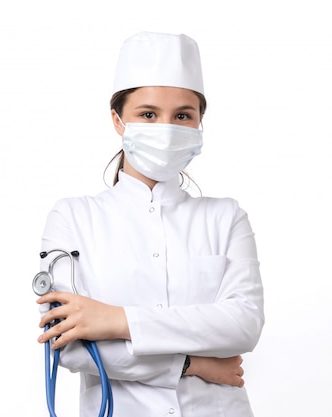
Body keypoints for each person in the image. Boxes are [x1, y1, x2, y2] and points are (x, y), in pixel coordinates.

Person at [35, 31, 265, 416]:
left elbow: (243, 324)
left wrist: (115, 319)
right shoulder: (73, 217)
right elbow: (71, 348)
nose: (166, 127)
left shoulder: (227, 217)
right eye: (147, 114)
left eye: (182, 115)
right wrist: (192, 364)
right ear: (117, 120)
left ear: (199, 122)